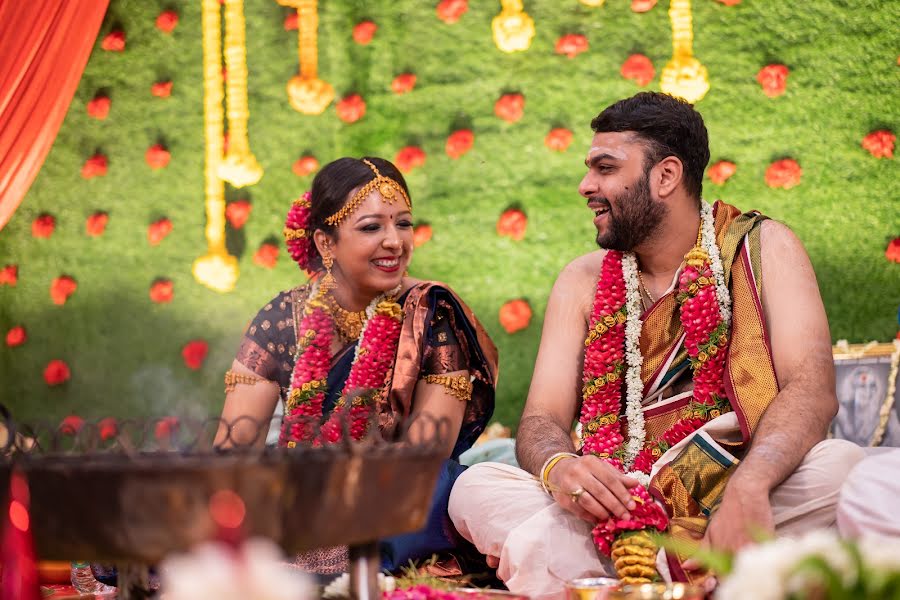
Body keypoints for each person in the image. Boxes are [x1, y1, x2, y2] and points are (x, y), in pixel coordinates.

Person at [448, 92, 864, 597]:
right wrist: (563, 469)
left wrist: (751, 487)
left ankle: (615, 580)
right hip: (615, 503)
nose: (586, 186)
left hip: (733, 488)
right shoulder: (582, 281)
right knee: (475, 489)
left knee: (846, 472)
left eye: (605, 168)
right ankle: (700, 574)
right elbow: (542, 420)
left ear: (666, 176)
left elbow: (812, 390)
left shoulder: (762, 248)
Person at [215, 156, 498, 574]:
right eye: (371, 227)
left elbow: (425, 454)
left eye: (403, 223)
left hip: (398, 501)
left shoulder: (430, 312)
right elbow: (232, 451)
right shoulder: (282, 318)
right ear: (326, 243)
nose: (394, 242)